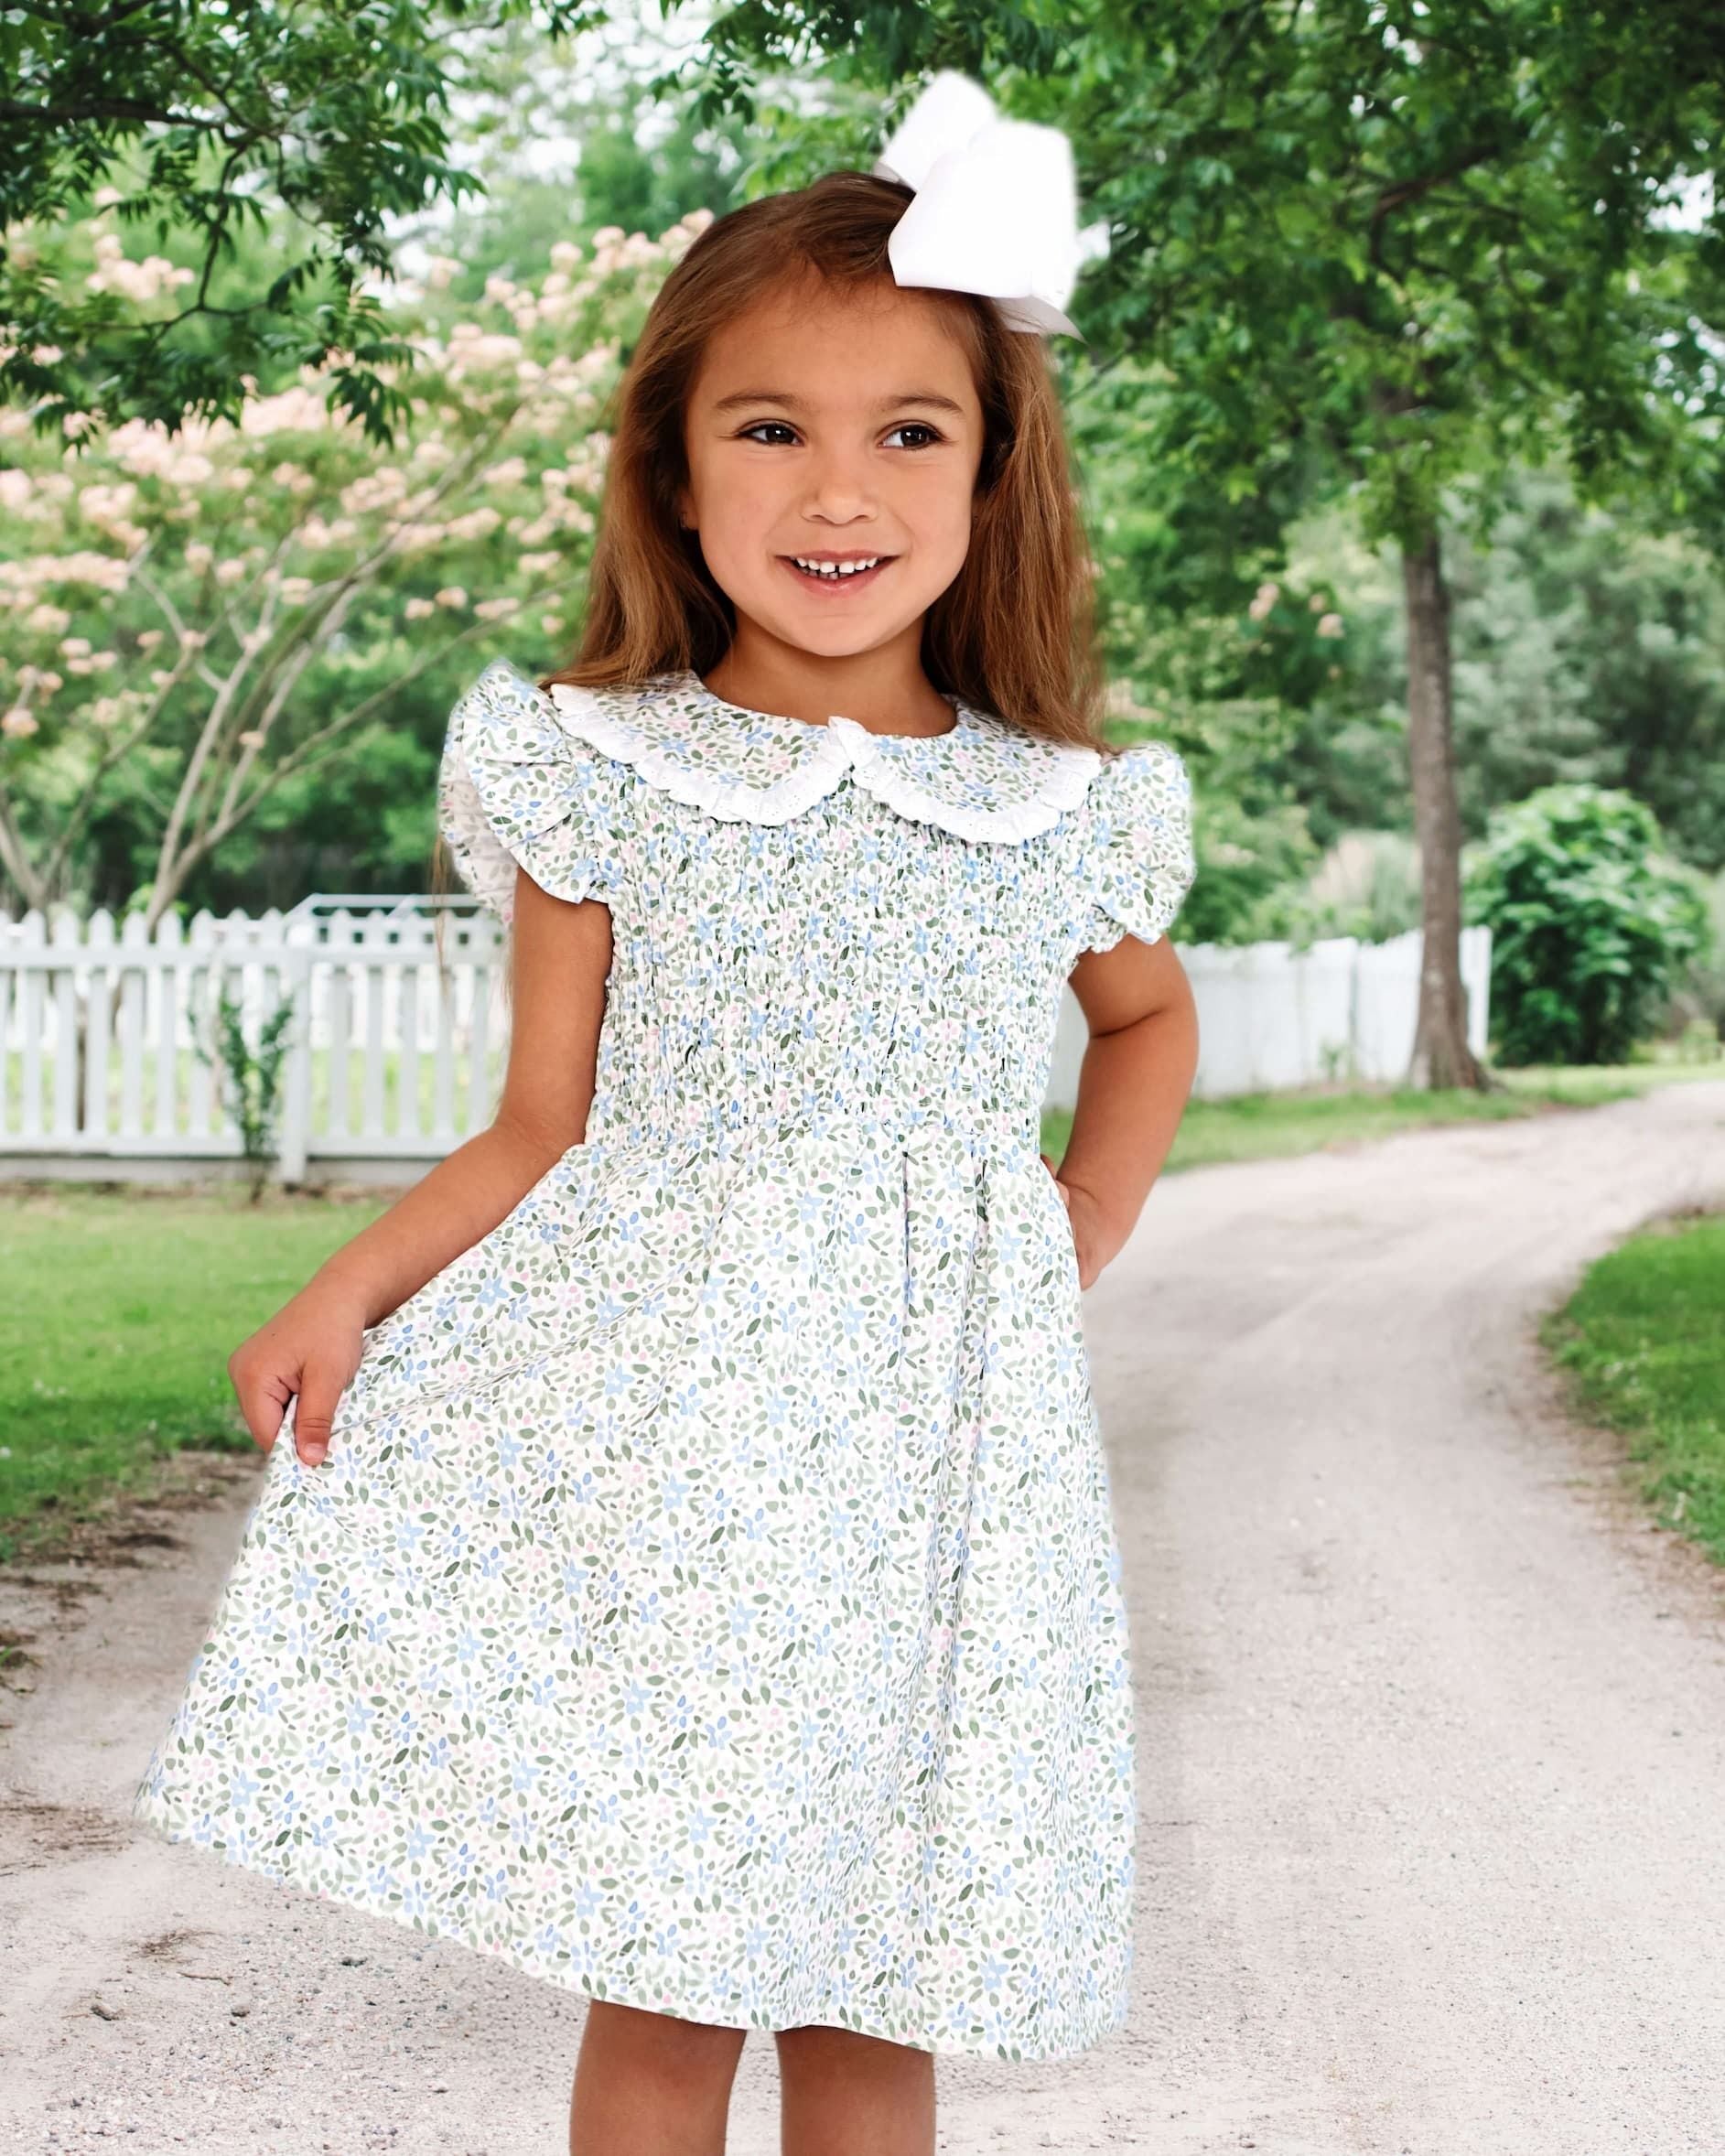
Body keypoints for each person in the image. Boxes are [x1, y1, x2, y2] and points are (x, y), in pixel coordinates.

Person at [133, 70, 1201, 2156]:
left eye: (911, 429)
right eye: (769, 425)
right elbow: (536, 1120)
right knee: (677, 1954)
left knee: (880, 1969)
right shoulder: (599, 771)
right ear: (675, 467)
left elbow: (1146, 1022)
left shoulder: (1053, 804)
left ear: (991, 475)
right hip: (675, 1458)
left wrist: (1066, 1219)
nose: (840, 486)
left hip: (937, 1465)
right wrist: (342, 1297)